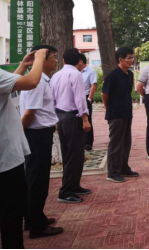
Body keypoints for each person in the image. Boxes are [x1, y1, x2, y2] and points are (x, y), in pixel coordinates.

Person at [0, 44, 48, 249]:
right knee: (11, 214)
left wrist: (24, 65)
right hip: (4, 159)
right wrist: (40, 58)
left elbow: (10, 85)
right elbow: (31, 82)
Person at [20, 45, 64, 239]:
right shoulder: (37, 82)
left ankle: (33, 218)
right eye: (53, 56)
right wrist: (19, 134)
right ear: (42, 59)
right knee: (38, 181)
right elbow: (29, 113)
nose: (56, 60)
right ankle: (37, 226)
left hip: (38, 134)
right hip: (36, 136)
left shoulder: (41, 79)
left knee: (35, 179)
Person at [51, 48, 92, 204]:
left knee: (69, 153)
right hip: (73, 117)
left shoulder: (56, 75)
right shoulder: (76, 74)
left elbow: (52, 98)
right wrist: (85, 119)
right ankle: (66, 191)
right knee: (74, 155)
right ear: (79, 61)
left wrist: (55, 119)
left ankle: (74, 185)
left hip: (61, 117)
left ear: (63, 60)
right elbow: (80, 99)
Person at [102, 47, 139, 183]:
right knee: (116, 143)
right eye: (129, 58)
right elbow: (104, 94)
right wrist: (107, 108)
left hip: (126, 112)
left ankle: (123, 168)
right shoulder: (112, 76)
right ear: (120, 59)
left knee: (126, 142)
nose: (132, 60)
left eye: (132, 57)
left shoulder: (129, 74)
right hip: (115, 113)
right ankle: (112, 172)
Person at [79, 54, 97, 151]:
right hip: (77, 98)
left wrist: (89, 99)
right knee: (78, 119)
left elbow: (93, 85)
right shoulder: (76, 71)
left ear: (81, 61)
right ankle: (80, 141)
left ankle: (88, 142)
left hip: (86, 97)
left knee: (87, 119)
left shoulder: (91, 71)